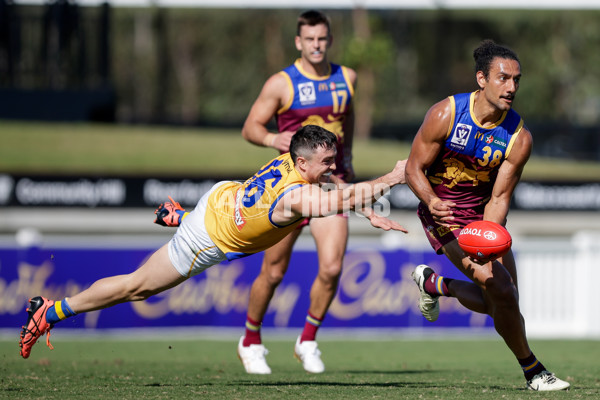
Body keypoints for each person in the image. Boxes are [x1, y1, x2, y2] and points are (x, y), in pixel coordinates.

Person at [19, 125, 408, 361]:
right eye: (326, 162)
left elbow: (332, 186)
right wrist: (392, 178)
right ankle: (49, 312)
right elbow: (337, 197)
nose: (331, 169)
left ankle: (178, 216)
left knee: (223, 227)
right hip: (205, 238)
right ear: (303, 163)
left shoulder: (294, 161)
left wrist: (365, 210)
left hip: (220, 198)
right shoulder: (296, 198)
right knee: (136, 287)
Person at [405, 39, 570, 392]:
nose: (511, 87)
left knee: (504, 299)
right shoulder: (445, 114)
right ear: (481, 78)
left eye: (517, 80)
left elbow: (499, 196)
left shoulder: (518, 137)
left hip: (482, 218)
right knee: (502, 292)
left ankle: (435, 285)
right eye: (503, 78)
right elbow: (413, 169)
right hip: (444, 213)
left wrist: (486, 238)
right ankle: (534, 372)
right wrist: (431, 200)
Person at [238, 9, 356, 375]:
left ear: (330, 40)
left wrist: (346, 167)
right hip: (289, 189)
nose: (316, 45)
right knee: (273, 272)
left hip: (330, 186)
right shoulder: (281, 83)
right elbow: (250, 128)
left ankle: (307, 340)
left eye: (322, 39)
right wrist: (275, 138)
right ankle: (251, 340)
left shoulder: (348, 78)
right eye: (310, 39)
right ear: (298, 42)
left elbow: (346, 128)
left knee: (333, 266)